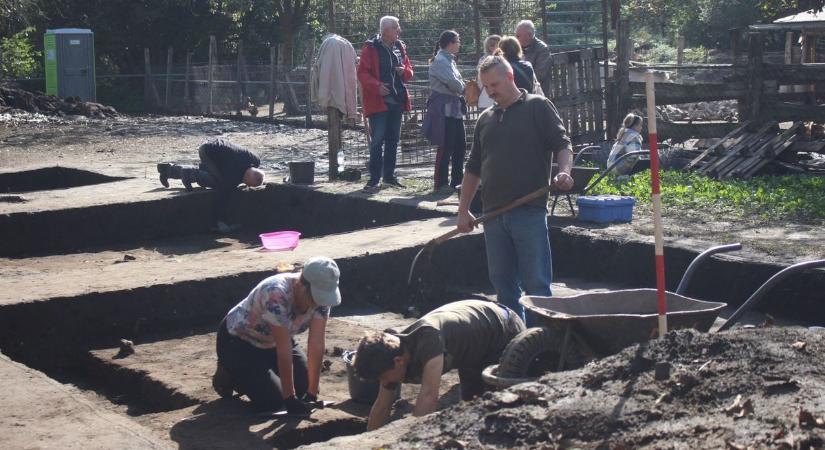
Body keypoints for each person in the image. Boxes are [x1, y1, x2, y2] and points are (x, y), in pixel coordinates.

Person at [457, 55, 574, 323]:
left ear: (510, 77)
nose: (490, 91)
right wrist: (463, 210)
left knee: (536, 285)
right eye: (486, 87)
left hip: (528, 211)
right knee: (503, 287)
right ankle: (514, 339)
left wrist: (564, 172)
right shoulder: (486, 119)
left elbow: (562, 144)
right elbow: (473, 169)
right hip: (493, 216)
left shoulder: (537, 107)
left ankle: (540, 340)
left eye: (494, 84)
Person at [354, 299, 525, 430]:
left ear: (398, 362)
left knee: (502, 411)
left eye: (383, 377)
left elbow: (428, 397)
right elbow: (382, 406)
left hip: (502, 330)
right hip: (471, 350)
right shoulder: (392, 352)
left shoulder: (429, 340)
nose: (384, 382)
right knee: (471, 408)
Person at [211, 256, 342, 414]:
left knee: (305, 387)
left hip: (273, 342)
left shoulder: (322, 300)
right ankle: (229, 373)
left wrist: (311, 394)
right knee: (274, 401)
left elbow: (317, 343)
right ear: (303, 285)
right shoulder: (276, 293)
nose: (320, 303)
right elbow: (283, 349)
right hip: (240, 342)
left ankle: (262, 373)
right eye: (317, 296)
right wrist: (290, 398)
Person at [357, 16, 414, 192]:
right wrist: (377, 87)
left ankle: (389, 177)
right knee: (377, 140)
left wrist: (404, 71)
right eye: (396, 28)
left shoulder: (400, 47)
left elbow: (409, 72)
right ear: (386, 30)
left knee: (393, 140)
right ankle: (374, 179)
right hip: (378, 103)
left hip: (396, 101)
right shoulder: (370, 48)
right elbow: (362, 73)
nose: (399, 31)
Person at [422, 30, 466, 194]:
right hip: (444, 108)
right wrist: (466, 89)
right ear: (450, 43)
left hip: (454, 108)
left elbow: (458, 82)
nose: (459, 44)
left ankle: (457, 181)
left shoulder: (450, 60)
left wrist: (464, 87)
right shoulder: (441, 61)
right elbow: (454, 84)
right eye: (458, 41)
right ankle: (440, 183)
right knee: (445, 145)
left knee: (460, 145)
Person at [157, 138, 264, 192]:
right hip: (208, 152)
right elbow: (227, 185)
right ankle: (185, 173)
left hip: (213, 144)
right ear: (248, 176)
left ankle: (166, 169)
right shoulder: (233, 169)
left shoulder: (255, 160)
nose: (246, 185)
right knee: (217, 181)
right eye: (248, 183)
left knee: (213, 174)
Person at [515, 20, 552, 95]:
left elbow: (540, 74)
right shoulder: (516, 47)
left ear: (529, 35)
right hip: (521, 92)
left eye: (518, 36)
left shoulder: (542, 49)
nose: (516, 38)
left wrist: (518, 78)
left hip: (538, 94)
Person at [477, 35, 501, 109]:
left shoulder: (482, 59)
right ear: (489, 47)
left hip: (486, 100)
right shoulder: (499, 59)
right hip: (489, 99)